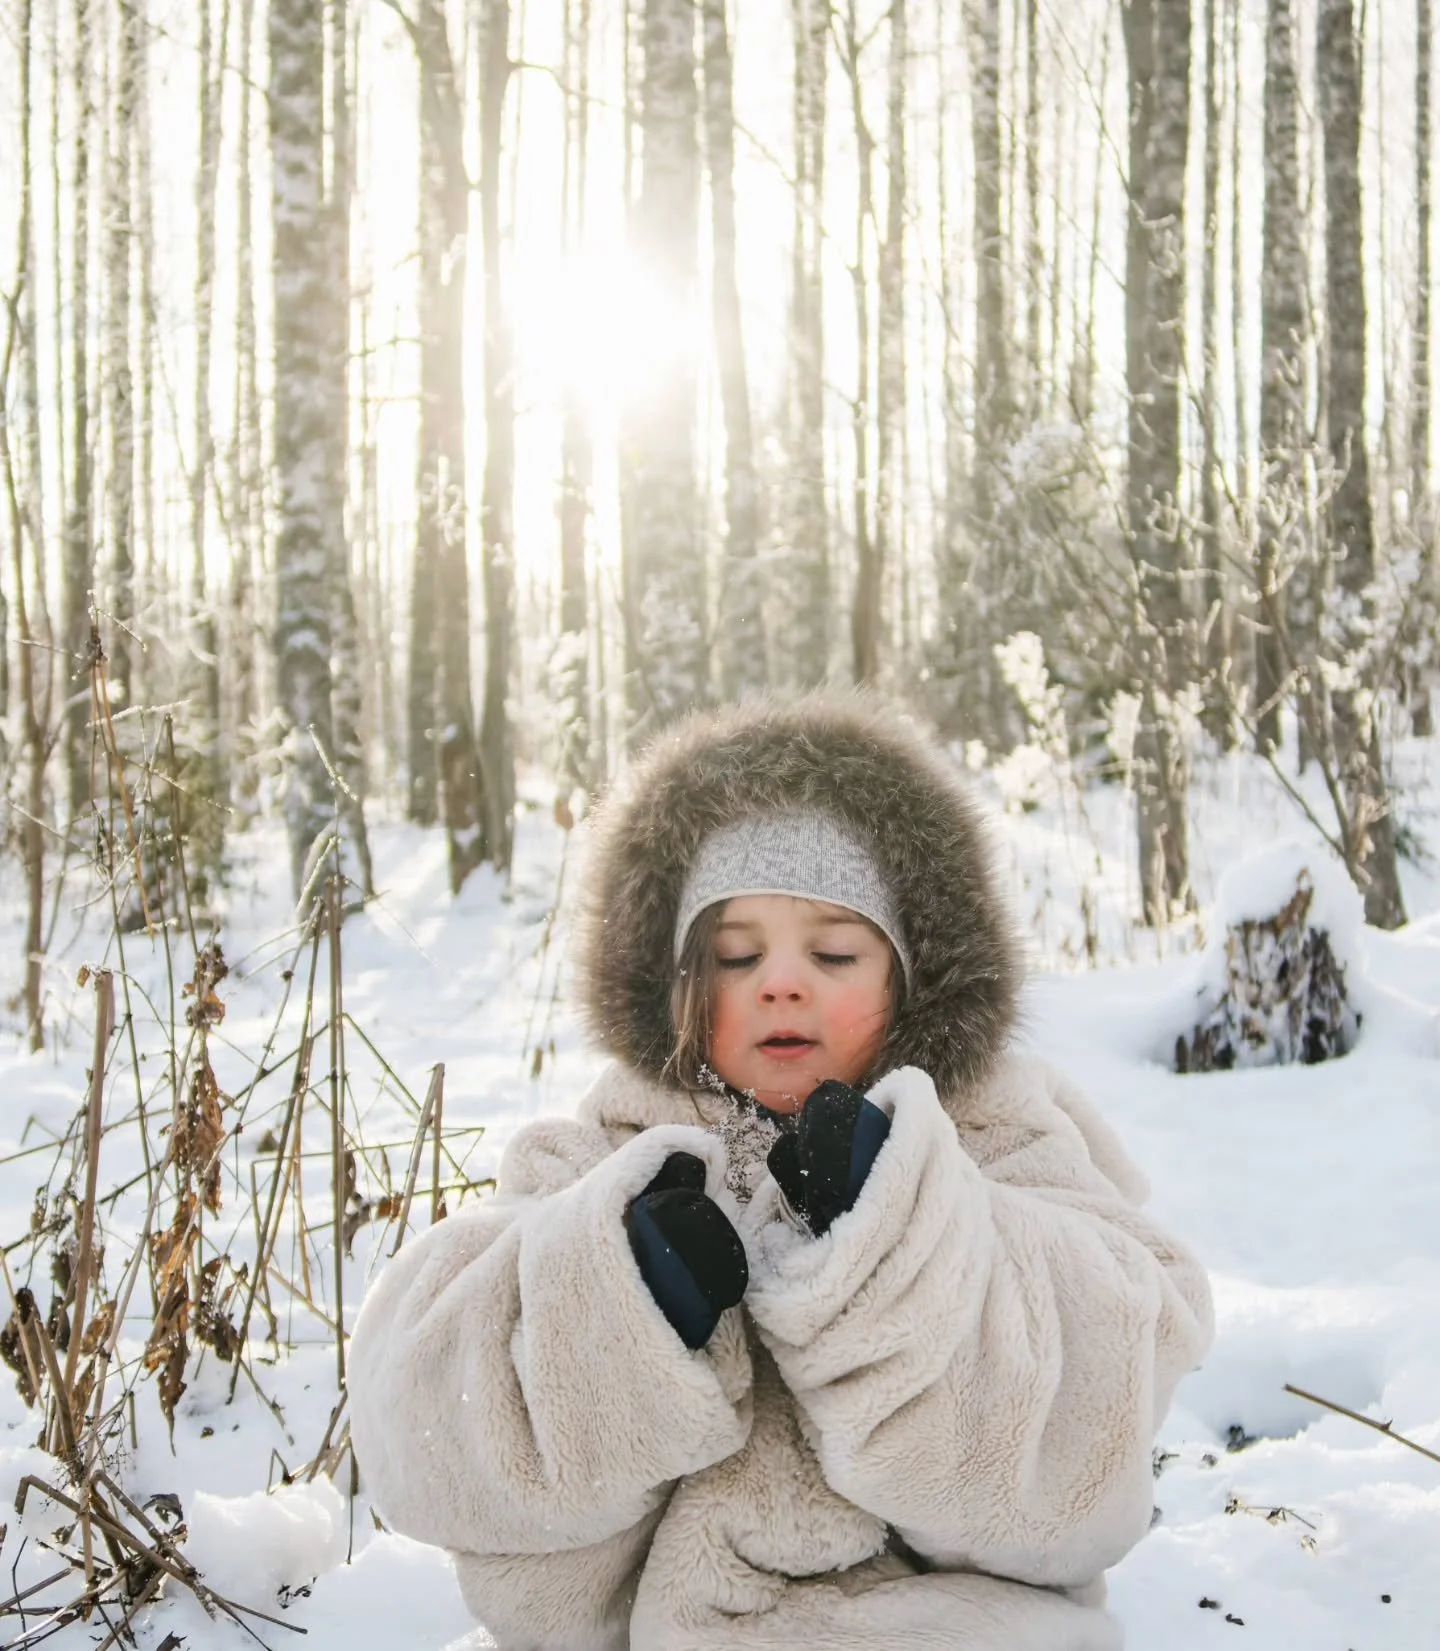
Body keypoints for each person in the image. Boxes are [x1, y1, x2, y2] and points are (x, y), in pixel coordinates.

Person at [348, 693, 1214, 1651]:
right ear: (677, 983)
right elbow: (421, 1422)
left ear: (911, 975)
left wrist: (909, 1246)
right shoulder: (615, 1148)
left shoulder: (995, 1130)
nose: (781, 981)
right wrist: (617, 1306)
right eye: (735, 953)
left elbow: (1115, 1375)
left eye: (835, 950)